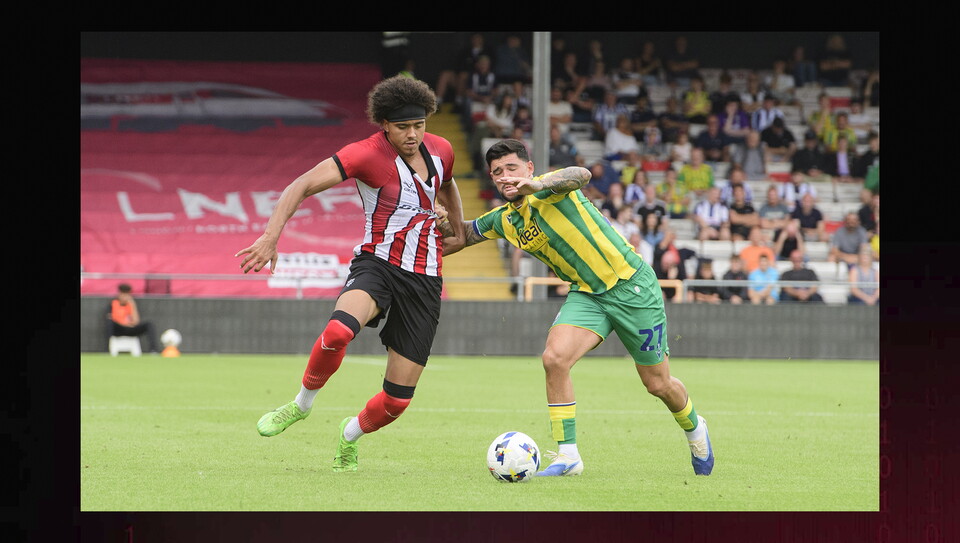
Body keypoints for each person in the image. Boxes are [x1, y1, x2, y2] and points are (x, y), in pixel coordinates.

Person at [442, 138, 714, 477]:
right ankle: (568, 456)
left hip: (632, 286)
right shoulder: (504, 219)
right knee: (554, 358)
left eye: (512, 168)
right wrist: (438, 222)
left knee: (658, 384)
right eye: (497, 172)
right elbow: (464, 234)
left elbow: (581, 174)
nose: (505, 176)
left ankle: (695, 428)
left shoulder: (551, 189)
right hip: (587, 294)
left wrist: (537, 185)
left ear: (529, 168)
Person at [235, 75, 465, 473]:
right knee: (339, 331)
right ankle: (301, 404)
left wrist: (456, 228)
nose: (413, 134)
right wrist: (271, 237)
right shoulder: (364, 154)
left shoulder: (442, 149)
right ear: (385, 125)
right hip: (378, 264)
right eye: (403, 127)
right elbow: (302, 184)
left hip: (425, 279)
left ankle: (349, 434)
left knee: (396, 402)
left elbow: (446, 185)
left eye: (419, 125)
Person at [107, 283, 162, 354]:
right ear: (119, 294)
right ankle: (107, 349)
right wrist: (124, 324)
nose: (125, 297)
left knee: (149, 324)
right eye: (123, 294)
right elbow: (113, 318)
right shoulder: (114, 303)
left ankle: (153, 350)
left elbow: (136, 321)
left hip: (130, 329)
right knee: (109, 323)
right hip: (119, 329)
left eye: (127, 295)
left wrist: (133, 305)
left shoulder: (131, 304)